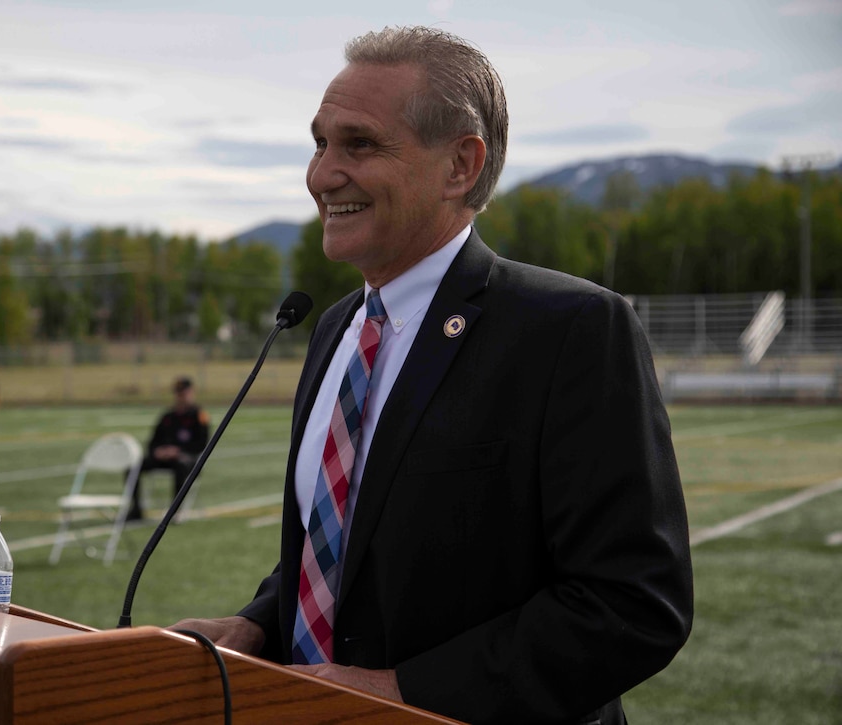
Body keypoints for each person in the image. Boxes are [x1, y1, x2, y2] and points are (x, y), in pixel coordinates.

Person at [172, 26, 693, 724]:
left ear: (460, 166)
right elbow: (344, 554)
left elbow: (634, 601)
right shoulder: (331, 330)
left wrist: (407, 692)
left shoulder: (571, 330)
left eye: (359, 144)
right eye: (320, 142)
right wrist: (258, 624)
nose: (322, 173)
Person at [126, 376, 209, 521]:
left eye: (183, 393)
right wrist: (158, 452)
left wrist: (178, 451)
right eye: (178, 393)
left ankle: (175, 510)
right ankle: (136, 509)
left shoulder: (198, 416)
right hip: (164, 458)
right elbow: (153, 441)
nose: (180, 397)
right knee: (132, 467)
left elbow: (202, 444)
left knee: (181, 465)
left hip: (187, 459)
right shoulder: (168, 416)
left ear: (191, 392)